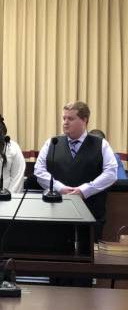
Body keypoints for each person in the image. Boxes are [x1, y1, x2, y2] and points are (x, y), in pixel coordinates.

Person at [34, 102, 117, 240]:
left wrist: (85, 190)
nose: (65, 123)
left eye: (70, 119)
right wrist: (59, 188)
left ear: (84, 120)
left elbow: (111, 173)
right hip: (56, 212)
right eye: (64, 118)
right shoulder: (52, 143)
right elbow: (39, 170)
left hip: (91, 212)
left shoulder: (101, 144)